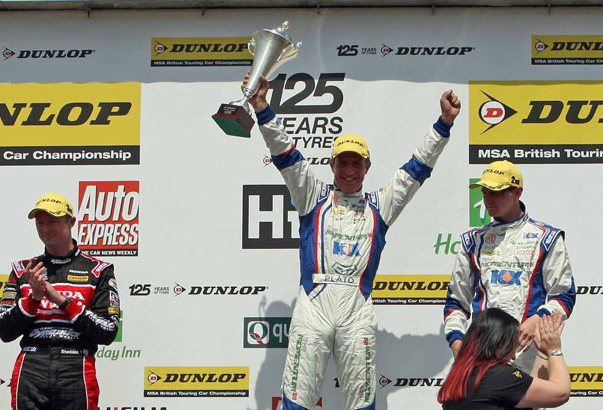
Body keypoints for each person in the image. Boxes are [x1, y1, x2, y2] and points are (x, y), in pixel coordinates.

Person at [244, 73, 461, 410]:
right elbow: (284, 153)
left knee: (361, 403)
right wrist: (261, 106)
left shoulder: (380, 205)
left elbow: (416, 169)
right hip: (313, 306)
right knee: (297, 399)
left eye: (355, 163)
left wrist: (443, 124)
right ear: (331, 165)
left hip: (356, 309)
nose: (348, 170)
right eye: (342, 162)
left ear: (366, 166)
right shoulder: (311, 194)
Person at [443, 160, 576, 373]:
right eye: (485, 192)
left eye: (496, 192)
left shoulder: (546, 238)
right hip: (481, 352)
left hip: (530, 349)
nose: (488, 199)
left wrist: (538, 319)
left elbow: (564, 296)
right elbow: (455, 302)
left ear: (517, 192)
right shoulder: (473, 241)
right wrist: (458, 344)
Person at [0, 192, 120, 410]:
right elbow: (4, 330)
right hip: (32, 363)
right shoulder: (23, 270)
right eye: (40, 223)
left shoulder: (98, 270)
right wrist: (33, 299)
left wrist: (62, 301)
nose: (45, 229)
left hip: (76, 364)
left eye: (52, 222)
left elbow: (108, 331)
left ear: (71, 222)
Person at [438, 308, 570, 409]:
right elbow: (560, 393)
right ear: (499, 342)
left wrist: (542, 352)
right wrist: (554, 349)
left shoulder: (462, 376)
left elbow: (534, 400)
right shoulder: (498, 376)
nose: (513, 356)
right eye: (512, 345)